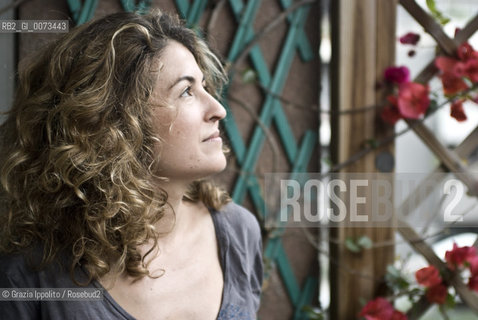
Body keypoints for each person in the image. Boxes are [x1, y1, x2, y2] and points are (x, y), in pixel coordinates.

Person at [0, 10, 263, 320]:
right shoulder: (32, 268)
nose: (218, 109)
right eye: (187, 91)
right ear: (117, 121)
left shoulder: (238, 233)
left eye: (205, 86)